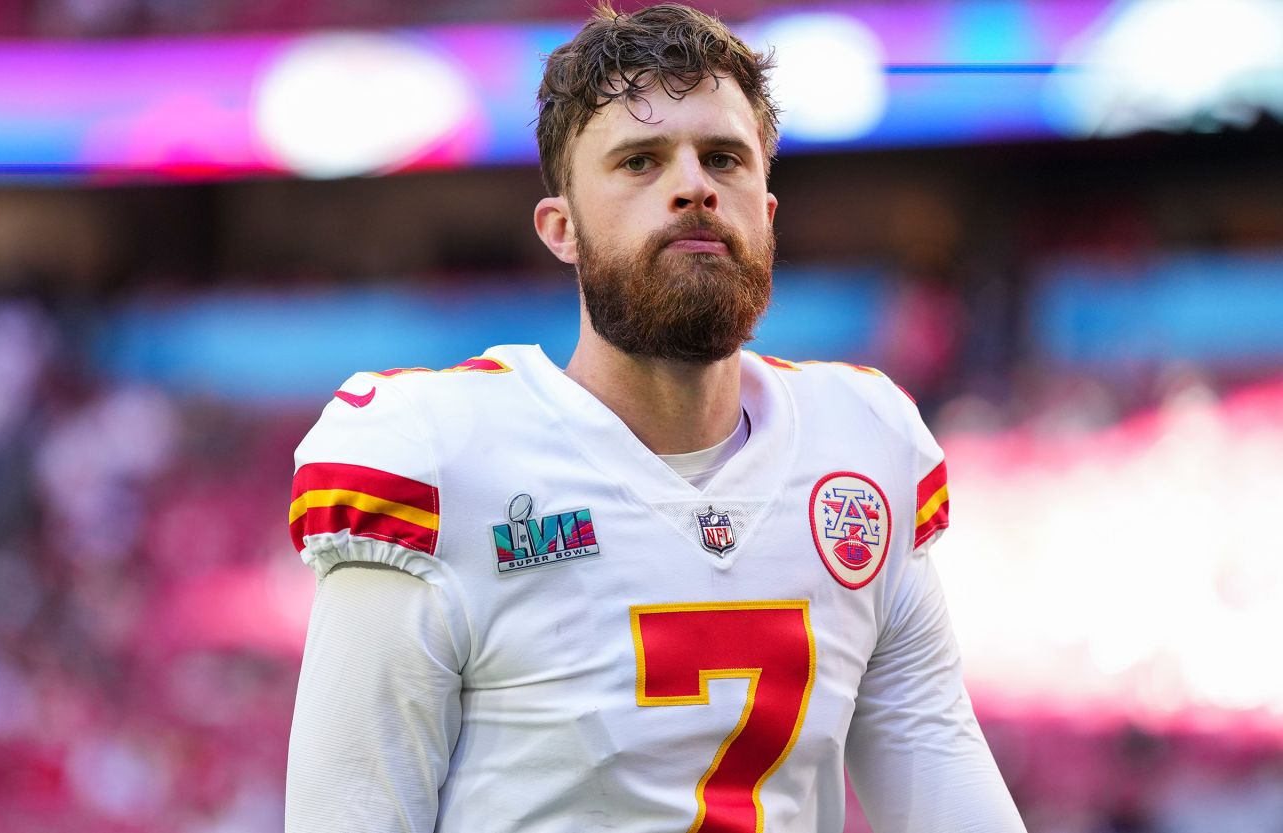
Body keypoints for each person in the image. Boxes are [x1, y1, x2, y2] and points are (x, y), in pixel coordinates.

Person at [284, 4, 1026, 831]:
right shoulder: (436, 456)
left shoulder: (863, 445)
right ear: (561, 228)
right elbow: (347, 812)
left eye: (724, 158)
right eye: (640, 160)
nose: (694, 184)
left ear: (766, 213)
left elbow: (942, 779)